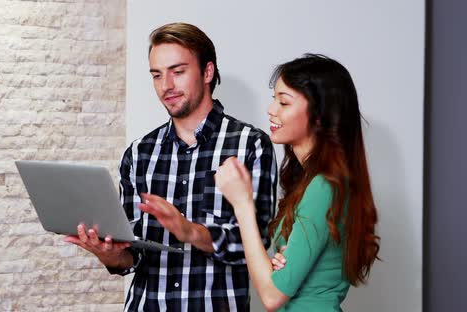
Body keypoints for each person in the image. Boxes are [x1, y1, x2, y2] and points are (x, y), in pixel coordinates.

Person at [64, 22, 277, 311]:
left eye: (178, 72)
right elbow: (132, 254)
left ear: (207, 72)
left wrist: (190, 231)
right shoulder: (139, 153)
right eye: (157, 75)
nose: (166, 86)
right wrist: (109, 254)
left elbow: (256, 247)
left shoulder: (250, 145)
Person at [215, 54, 381, 311]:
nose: (271, 110)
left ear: (319, 115)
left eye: (284, 102)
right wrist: (276, 268)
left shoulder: (322, 187)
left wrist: (242, 204)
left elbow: (271, 296)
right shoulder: (314, 183)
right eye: (274, 99)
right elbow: (278, 283)